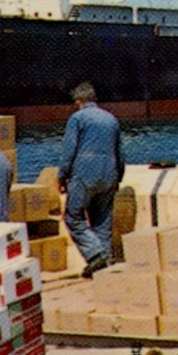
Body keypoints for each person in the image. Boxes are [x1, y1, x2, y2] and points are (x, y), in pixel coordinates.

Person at [58, 82, 124, 275]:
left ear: (78, 101)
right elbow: (120, 152)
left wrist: (62, 176)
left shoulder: (77, 118)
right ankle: (104, 266)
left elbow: (68, 151)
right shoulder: (111, 119)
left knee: (73, 217)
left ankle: (96, 255)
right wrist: (118, 177)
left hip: (85, 174)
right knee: (102, 221)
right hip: (110, 174)